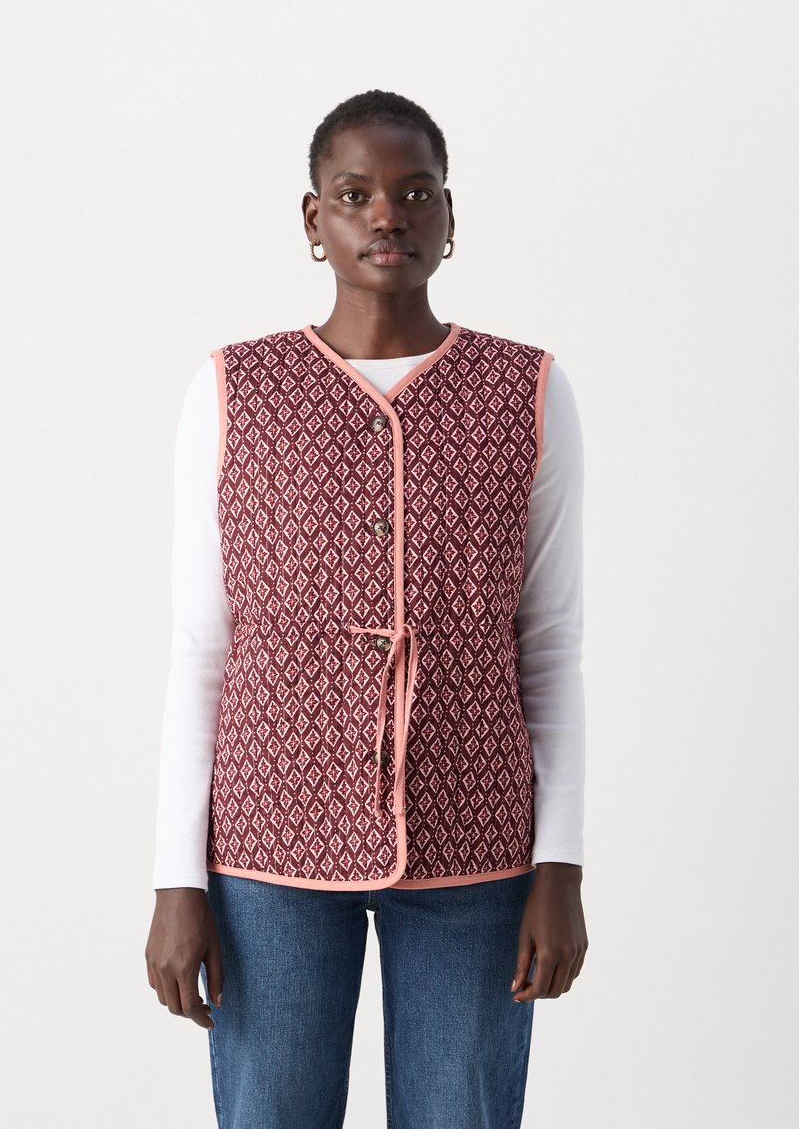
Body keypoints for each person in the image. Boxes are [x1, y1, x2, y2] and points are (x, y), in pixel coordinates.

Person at [145, 88, 588, 1129]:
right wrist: (176, 879)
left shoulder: (526, 389)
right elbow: (201, 645)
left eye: (414, 192)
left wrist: (560, 865)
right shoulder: (232, 391)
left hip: (477, 839)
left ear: (449, 214)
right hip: (268, 839)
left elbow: (550, 643)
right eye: (354, 194)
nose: (386, 214)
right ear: (315, 219)